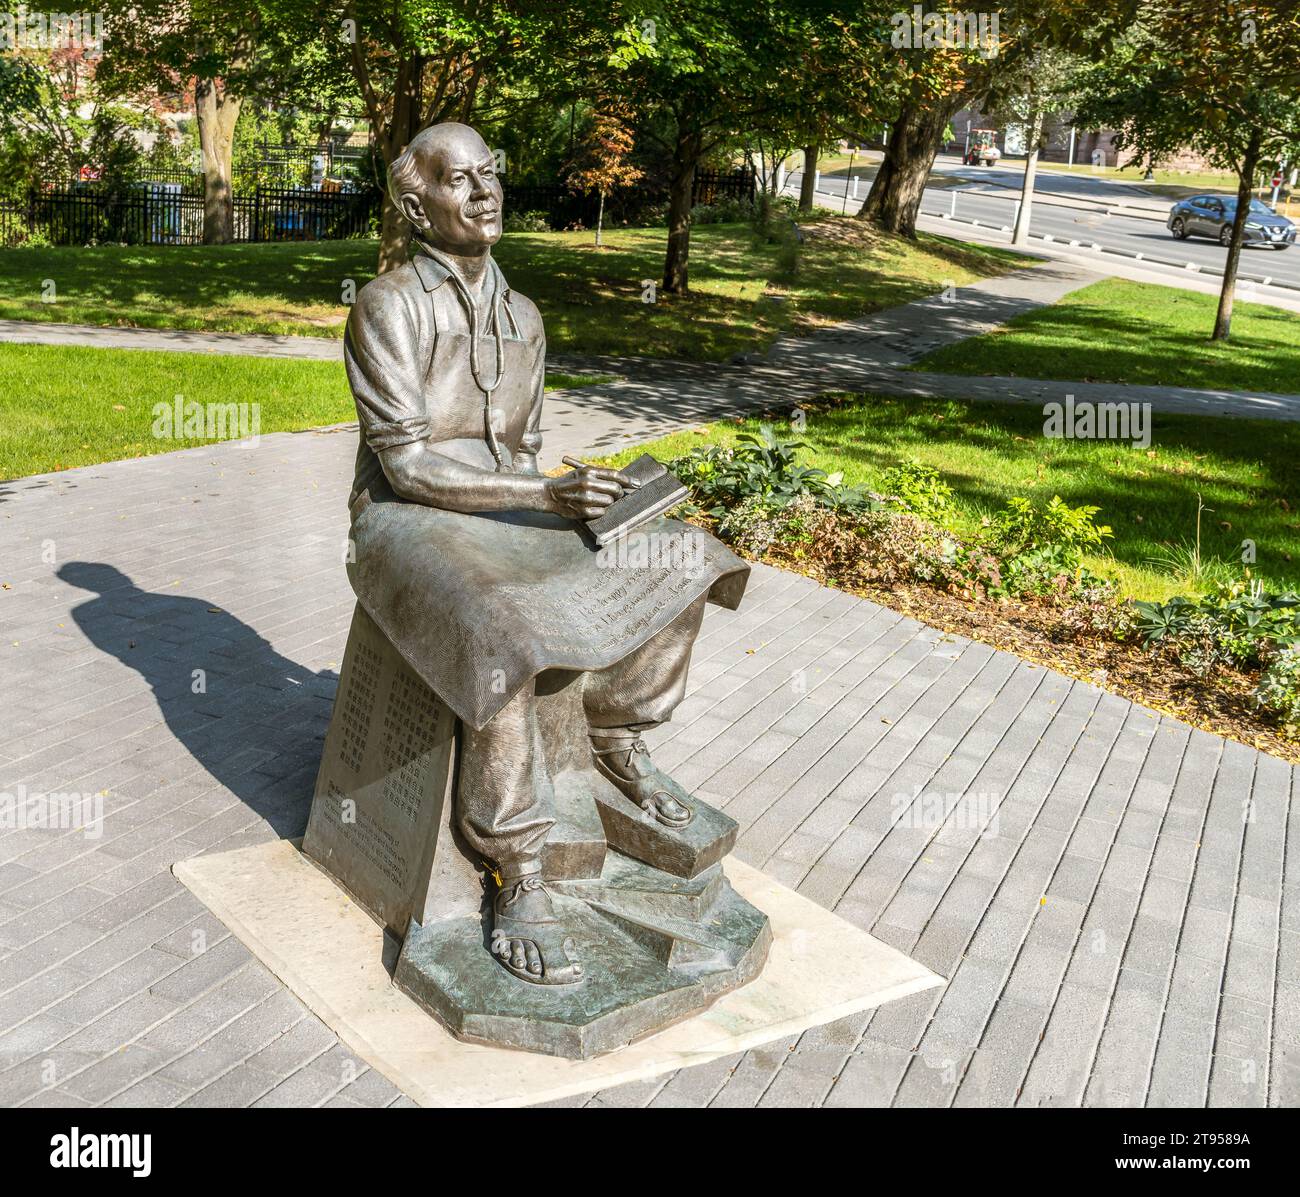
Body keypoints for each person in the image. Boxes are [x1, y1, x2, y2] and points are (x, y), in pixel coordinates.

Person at [342, 122, 748, 985]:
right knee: (499, 618)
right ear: (417, 207)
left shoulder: (524, 314)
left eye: (492, 174)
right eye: (462, 180)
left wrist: (587, 493)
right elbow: (406, 464)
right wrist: (541, 497)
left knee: (682, 555)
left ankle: (614, 734)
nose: (487, 192)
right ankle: (516, 864)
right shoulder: (387, 305)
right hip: (404, 520)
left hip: (508, 505)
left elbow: (523, 448)